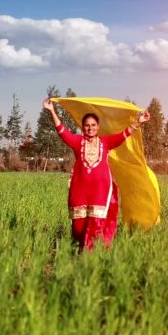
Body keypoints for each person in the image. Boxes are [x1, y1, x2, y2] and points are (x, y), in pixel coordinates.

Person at [43, 98, 151, 251]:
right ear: (82, 127)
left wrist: (139, 121)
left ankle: (90, 257)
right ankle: (79, 251)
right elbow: (62, 131)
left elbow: (124, 134)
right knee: (79, 227)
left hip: (100, 190)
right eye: (87, 125)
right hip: (79, 190)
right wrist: (52, 111)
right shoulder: (77, 141)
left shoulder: (106, 142)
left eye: (93, 125)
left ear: (98, 127)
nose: (90, 128)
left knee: (95, 224)